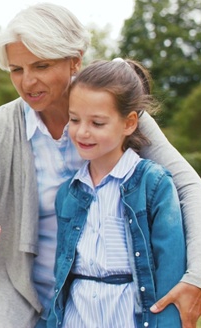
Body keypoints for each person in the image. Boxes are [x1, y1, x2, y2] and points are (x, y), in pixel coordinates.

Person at [0, 2, 201, 328]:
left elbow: (190, 189)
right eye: (17, 69)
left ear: (75, 61)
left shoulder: (115, 114)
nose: (27, 82)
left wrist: (196, 277)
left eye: (41, 66)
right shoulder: (0, 127)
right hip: (12, 295)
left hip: (96, 305)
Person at [47, 58, 185, 327]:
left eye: (97, 123)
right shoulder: (68, 193)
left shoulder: (153, 184)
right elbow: (61, 274)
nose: (82, 132)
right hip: (77, 318)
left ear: (129, 123)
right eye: (74, 119)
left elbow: (170, 270)